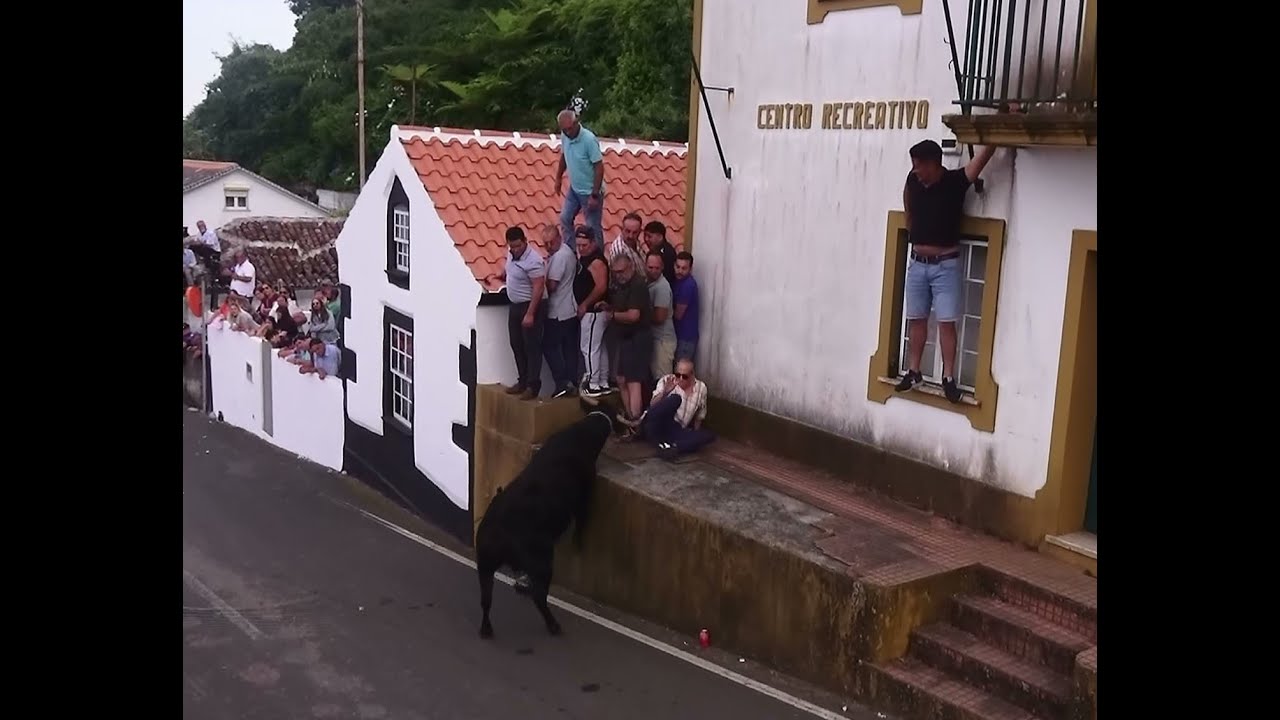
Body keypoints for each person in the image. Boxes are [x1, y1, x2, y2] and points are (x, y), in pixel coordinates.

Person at [896, 137, 997, 403]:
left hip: (946, 265)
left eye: (919, 165)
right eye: (914, 165)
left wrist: (996, 132)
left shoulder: (954, 182)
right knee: (916, 318)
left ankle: (948, 378)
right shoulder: (913, 181)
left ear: (933, 164)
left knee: (946, 322)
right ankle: (914, 370)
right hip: (918, 263)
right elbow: (906, 197)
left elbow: (978, 163)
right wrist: (909, 223)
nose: (915, 170)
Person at [627, 358, 715, 459]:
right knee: (675, 399)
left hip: (675, 429)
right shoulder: (666, 380)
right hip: (657, 422)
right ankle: (641, 427)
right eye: (678, 375)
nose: (680, 379)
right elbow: (652, 405)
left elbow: (700, 414)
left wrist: (694, 434)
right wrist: (666, 392)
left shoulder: (701, 388)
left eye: (684, 376)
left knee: (708, 436)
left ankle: (671, 448)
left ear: (692, 375)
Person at [500, 226, 547, 400]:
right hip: (515, 304)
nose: (515, 250)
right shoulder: (511, 253)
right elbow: (510, 268)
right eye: (512, 246)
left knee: (531, 346)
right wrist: (504, 274)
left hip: (530, 305)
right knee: (516, 344)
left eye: (518, 246)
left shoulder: (533, 260)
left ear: (525, 242)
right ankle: (522, 380)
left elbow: (539, 286)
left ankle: (532, 386)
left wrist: (530, 313)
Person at [554, 109, 605, 245]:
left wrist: (594, 195)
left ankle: (598, 258)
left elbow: (599, 167)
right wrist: (558, 178)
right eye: (565, 130)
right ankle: (571, 251)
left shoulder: (589, 139)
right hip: (575, 190)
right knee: (565, 218)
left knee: (592, 228)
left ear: (576, 123)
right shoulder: (565, 136)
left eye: (570, 129)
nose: (568, 133)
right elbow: (564, 156)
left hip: (590, 191)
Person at [572, 225, 612, 398]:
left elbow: (601, 286)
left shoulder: (596, 261)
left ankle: (593, 383)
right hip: (594, 312)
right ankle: (602, 381)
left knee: (588, 348)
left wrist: (585, 304)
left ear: (593, 243)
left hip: (593, 312)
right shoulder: (587, 258)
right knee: (599, 347)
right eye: (579, 245)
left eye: (585, 245)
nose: (581, 248)